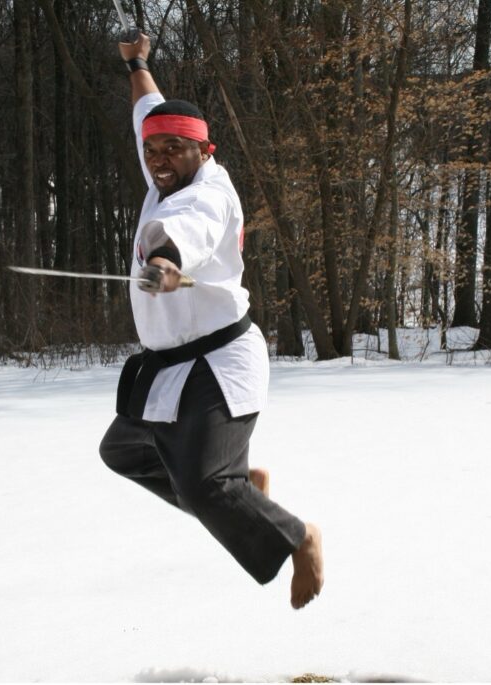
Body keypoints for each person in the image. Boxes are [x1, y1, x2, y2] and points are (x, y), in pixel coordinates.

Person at [98, 33, 324, 610]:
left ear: (204, 150)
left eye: (173, 150)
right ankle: (241, 495)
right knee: (123, 451)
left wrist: (166, 260)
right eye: (152, 151)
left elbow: (189, 231)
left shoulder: (207, 196)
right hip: (170, 365)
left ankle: (297, 536)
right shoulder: (163, 168)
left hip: (217, 362)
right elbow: (148, 108)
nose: (159, 160)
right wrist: (138, 64)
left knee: (203, 485)